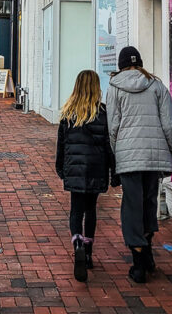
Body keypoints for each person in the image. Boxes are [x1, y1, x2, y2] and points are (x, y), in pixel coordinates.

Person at [106, 46, 172, 284]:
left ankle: (139, 262)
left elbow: (113, 127)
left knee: (132, 206)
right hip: (153, 156)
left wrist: (117, 154)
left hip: (129, 156)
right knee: (149, 203)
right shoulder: (157, 85)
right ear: (140, 63)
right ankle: (147, 252)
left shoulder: (115, 88)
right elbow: (169, 124)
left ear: (120, 64)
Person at [56, 70, 114, 284]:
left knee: (75, 210)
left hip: (74, 169)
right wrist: (113, 171)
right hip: (95, 169)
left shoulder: (68, 113)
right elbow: (109, 147)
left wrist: (60, 168)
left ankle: (77, 243)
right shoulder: (102, 113)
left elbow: (61, 146)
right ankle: (88, 253)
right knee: (91, 210)